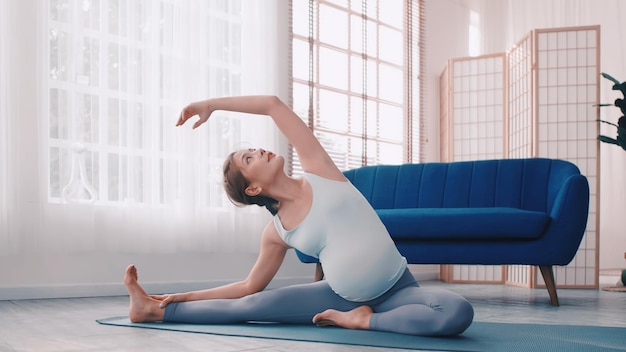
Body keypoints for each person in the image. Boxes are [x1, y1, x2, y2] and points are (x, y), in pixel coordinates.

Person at [123, 95, 474, 336]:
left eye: (251, 150)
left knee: (457, 313)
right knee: (255, 306)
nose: (259, 150)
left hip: (399, 290)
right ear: (253, 190)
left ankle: (365, 321)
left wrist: (211, 105)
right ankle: (153, 311)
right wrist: (182, 297)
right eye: (249, 159)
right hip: (336, 296)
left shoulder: (319, 171)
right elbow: (248, 288)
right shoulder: (276, 232)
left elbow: (273, 105)